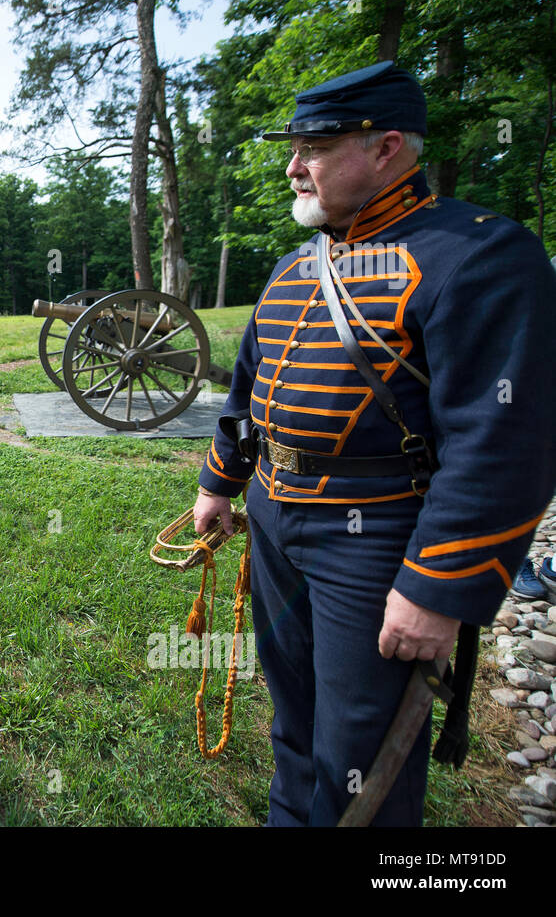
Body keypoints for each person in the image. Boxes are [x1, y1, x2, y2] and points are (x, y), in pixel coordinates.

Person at [192, 61, 556, 826]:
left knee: (364, 758)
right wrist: (220, 483)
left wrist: (435, 585)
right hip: (274, 521)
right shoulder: (296, 267)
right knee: (294, 725)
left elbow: (506, 442)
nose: (294, 165)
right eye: (292, 146)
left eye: (315, 147)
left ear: (389, 146)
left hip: (376, 535)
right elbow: (248, 392)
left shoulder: (479, 254)